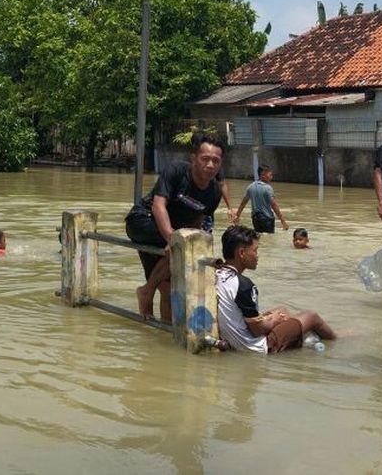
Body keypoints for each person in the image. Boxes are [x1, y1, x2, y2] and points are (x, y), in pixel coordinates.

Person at [125, 133, 225, 322]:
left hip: (172, 234)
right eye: (205, 159)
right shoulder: (177, 171)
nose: (210, 165)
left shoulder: (214, 192)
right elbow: (158, 206)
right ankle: (147, 291)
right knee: (182, 247)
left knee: (169, 287)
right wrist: (173, 239)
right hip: (143, 221)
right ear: (194, 158)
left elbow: (197, 221)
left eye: (216, 161)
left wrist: (185, 241)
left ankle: (165, 330)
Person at [214, 225, 336, 353]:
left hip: (236, 338)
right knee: (312, 316)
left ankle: (300, 332)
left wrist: (272, 319)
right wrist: (274, 321)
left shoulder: (217, 274)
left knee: (282, 310)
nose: (257, 256)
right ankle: (336, 340)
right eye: (255, 250)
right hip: (258, 346)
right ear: (242, 253)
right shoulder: (244, 285)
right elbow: (258, 330)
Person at [234, 165, 288, 234]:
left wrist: (237, 215)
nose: (271, 177)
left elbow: (243, 203)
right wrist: (282, 220)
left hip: (255, 219)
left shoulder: (250, 186)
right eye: (270, 175)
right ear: (263, 175)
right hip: (267, 219)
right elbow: (274, 205)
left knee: (259, 237)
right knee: (269, 238)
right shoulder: (268, 188)